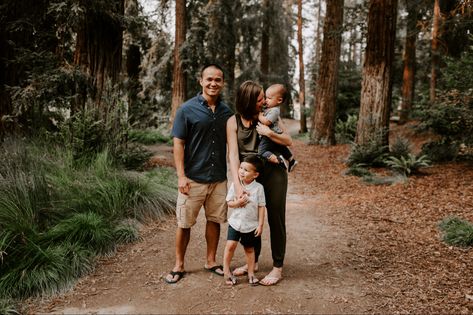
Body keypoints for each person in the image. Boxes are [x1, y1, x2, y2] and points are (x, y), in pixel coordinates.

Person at [165, 64, 233, 284]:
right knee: (184, 223)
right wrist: (181, 176)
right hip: (192, 178)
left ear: (222, 83)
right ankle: (179, 265)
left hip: (218, 178)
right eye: (209, 79)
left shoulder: (227, 113)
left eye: (218, 80)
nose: (213, 83)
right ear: (201, 81)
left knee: (214, 221)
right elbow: (178, 144)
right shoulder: (187, 109)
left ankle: (211, 261)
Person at [226, 80, 293, 286]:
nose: (264, 101)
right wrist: (238, 185)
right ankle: (252, 262)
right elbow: (234, 156)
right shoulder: (232, 121)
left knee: (274, 218)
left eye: (265, 97)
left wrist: (270, 133)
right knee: (251, 218)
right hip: (249, 176)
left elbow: (288, 140)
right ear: (248, 101)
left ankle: (277, 267)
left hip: (273, 173)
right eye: (260, 98)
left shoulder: (268, 117)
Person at [223, 155, 266, 286]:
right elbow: (229, 202)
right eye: (241, 167)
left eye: (246, 170)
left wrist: (260, 225)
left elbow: (261, 206)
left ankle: (251, 273)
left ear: (255, 175)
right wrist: (238, 203)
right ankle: (226, 272)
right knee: (230, 246)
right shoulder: (235, 185)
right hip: (235, 223)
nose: (241, 171)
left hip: (250, 225)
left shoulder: (259, 188)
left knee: (249, 249)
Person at [258, 84, 298, 172]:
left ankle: (278, 160)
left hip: (268, 135)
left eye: (269, 98)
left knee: (261, 152)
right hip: (274, 134)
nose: (266, 100)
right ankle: (291, 160)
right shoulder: (270, 109)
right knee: (280, 146)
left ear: (279, 100)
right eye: (266, 97)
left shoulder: (275, 110)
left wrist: (259, 116)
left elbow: (267, 122)